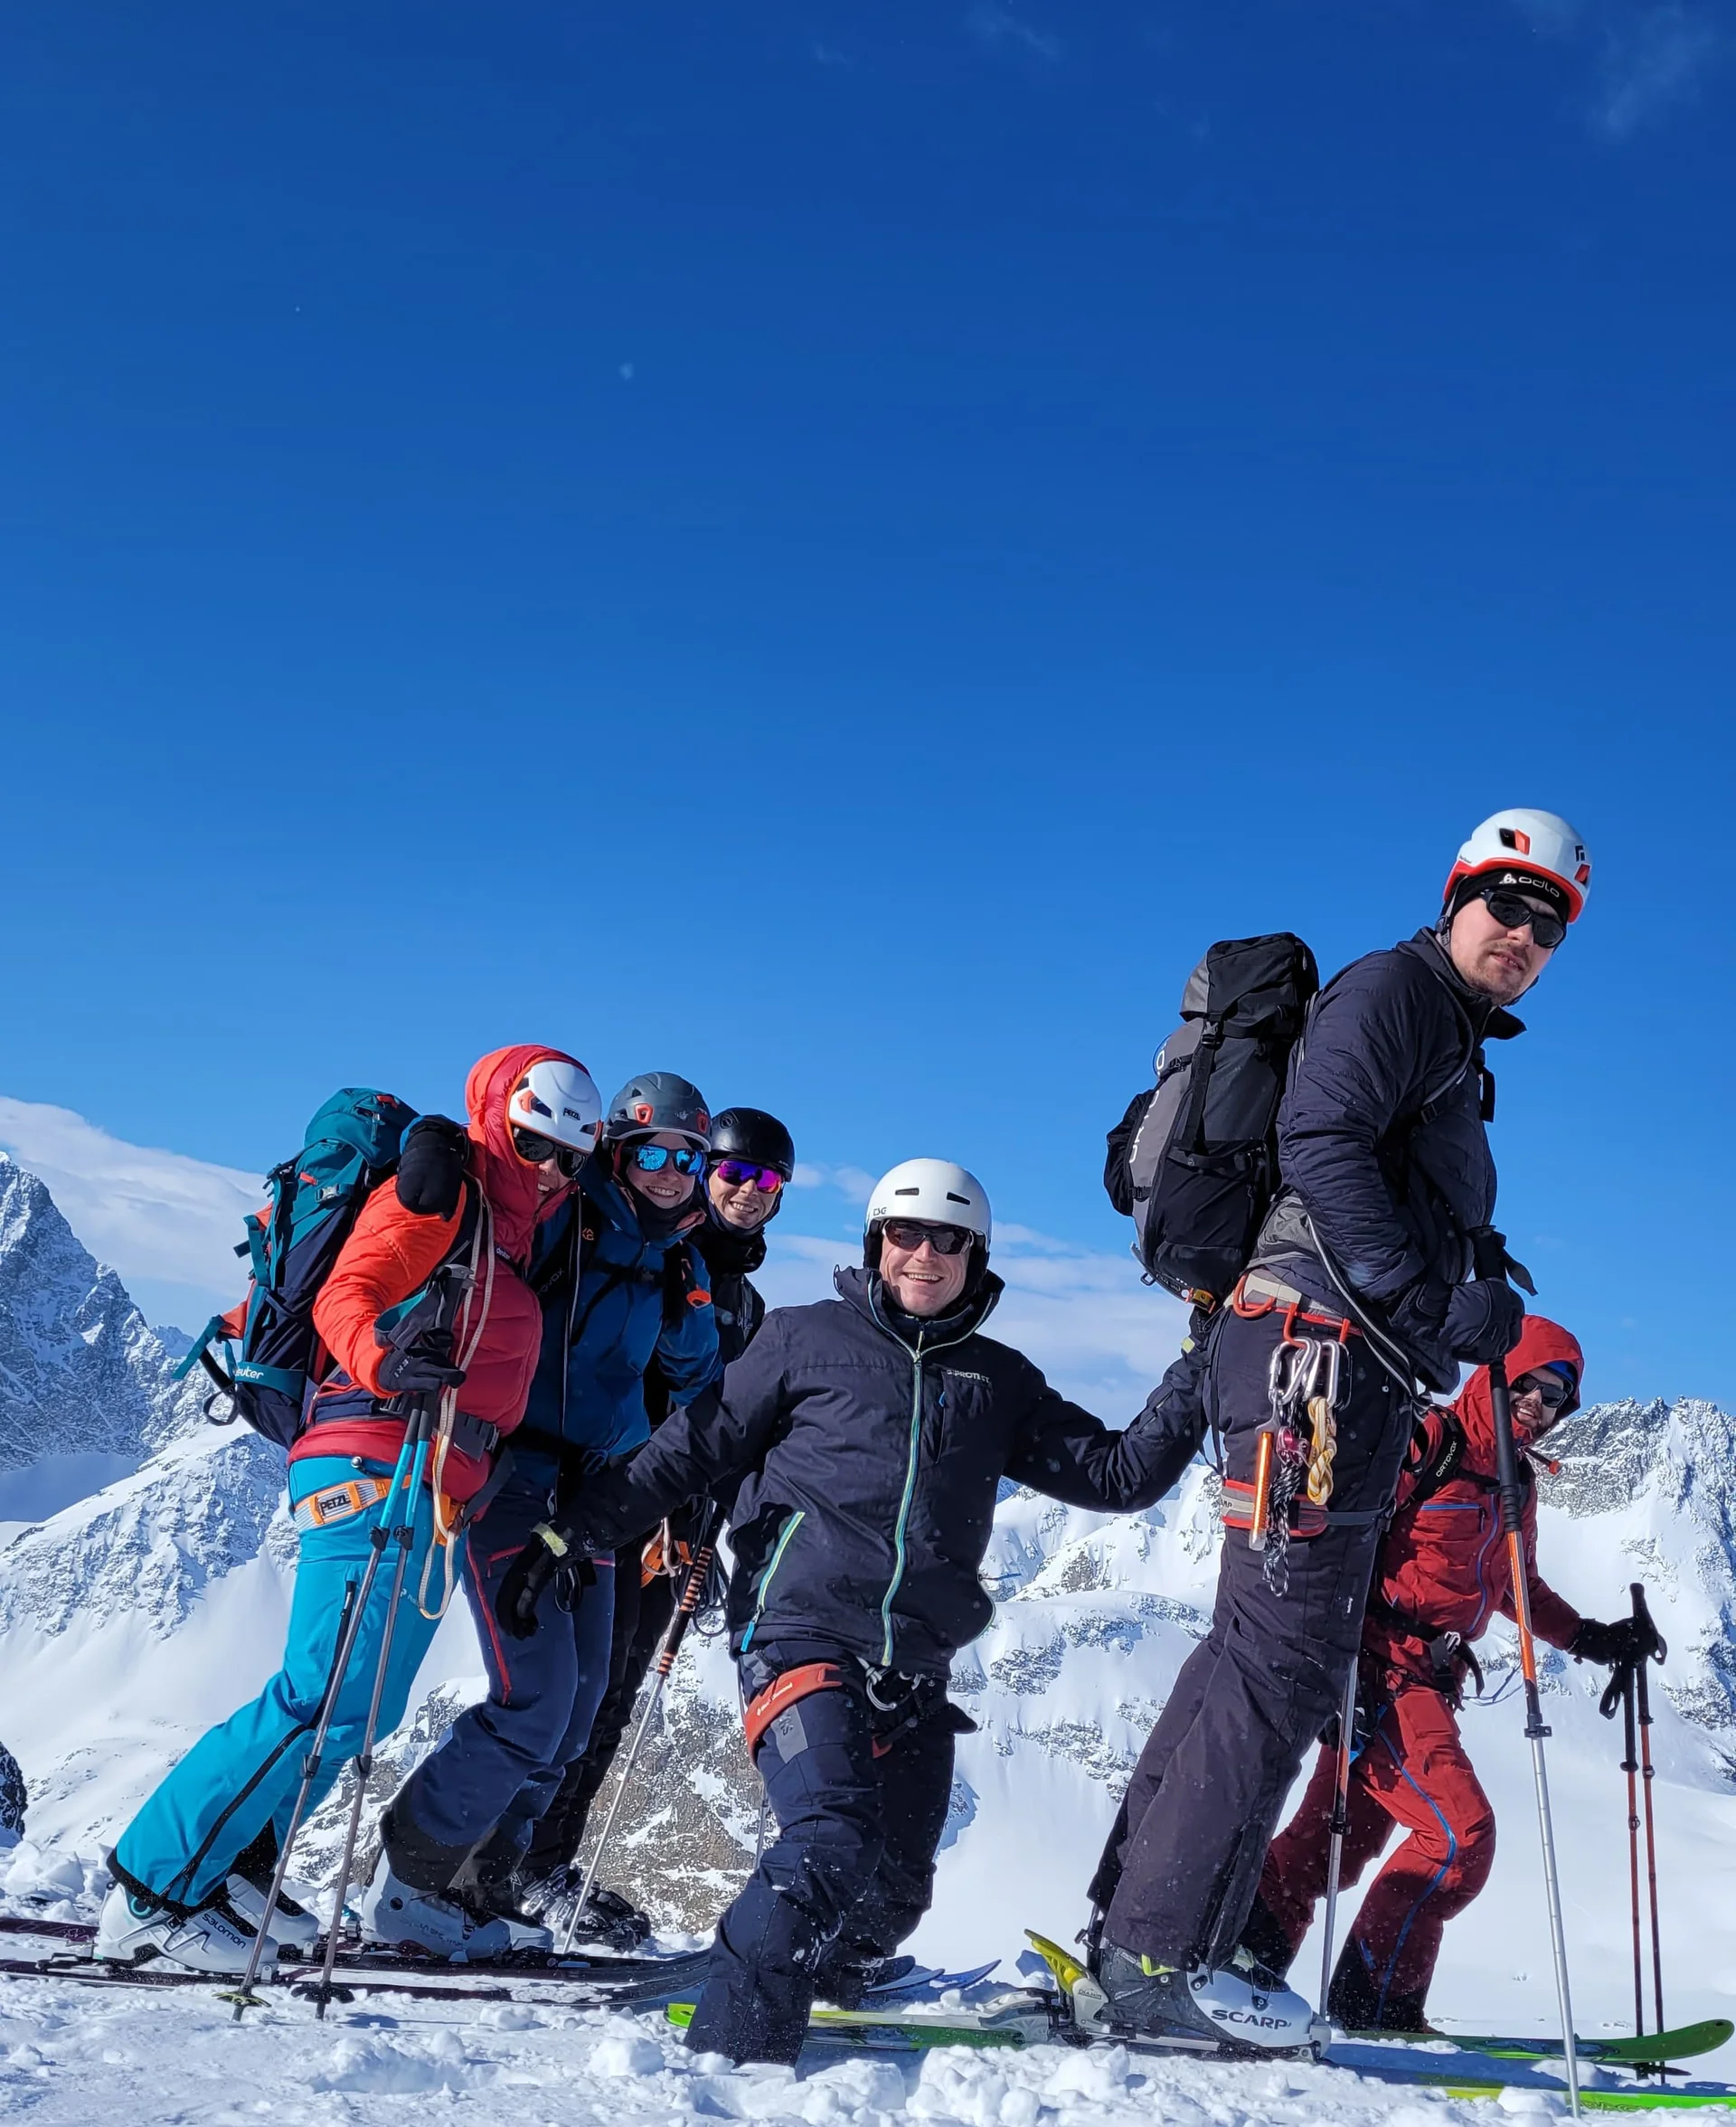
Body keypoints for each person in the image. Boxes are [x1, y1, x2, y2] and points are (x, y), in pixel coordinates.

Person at [1087, 808, 1595, 2048]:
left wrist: (1473, 1254)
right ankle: (1158, 1960)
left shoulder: (1445, 1032)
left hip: (1324, 1355)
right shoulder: (1399, 992)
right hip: (1319, 1358)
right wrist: (1424, 1296)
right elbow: (1319, 1140)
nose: (1523, 935)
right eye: (1506, 903)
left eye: (1549, 923)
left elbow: (1380, 1165)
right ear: (1458, 896)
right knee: (1282, 1662)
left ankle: (1133, 1931)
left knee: (1246, 1652)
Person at [552, 1156, 1210, 2063]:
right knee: (829, 1838)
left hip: (913, 1670)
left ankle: (813, 1964)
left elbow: (1117, 1474)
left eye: (949, 1239)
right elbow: (688, 1449)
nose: (924, 1254)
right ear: (876, 1242)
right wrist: (571, 1534)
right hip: (799, 1635)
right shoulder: (801, 1340)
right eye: (906, 1233)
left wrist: (1203, 1364)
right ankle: (734, 2045)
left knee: (891, 1890)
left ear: (976, 1257)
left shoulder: (1000, 1381)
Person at [98, 1046, 583, 1972]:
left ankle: (229, 1869)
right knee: (319, 1694)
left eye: (571, 1155)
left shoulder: (514, 1225)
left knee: (362, 1707)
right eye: (535, 1143)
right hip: (372, 1459)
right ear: (498, 1119)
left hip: (428, 1478)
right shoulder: (444, 1193)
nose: (553, 1167)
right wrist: (385, 1360)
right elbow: (346, 1293)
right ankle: (153, 1889)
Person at [362, 1069, 721, 1949]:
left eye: (688, 1159)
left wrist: (688, 1320)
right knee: (536, 1696)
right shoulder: (564, 1213)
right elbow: (492, 1196)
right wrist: (437, 1143)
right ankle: (409, 1875)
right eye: (652, 1153)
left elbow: (697, 1378)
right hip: (510, 1476)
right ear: (616, 1151)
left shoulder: (678, 1258)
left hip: (595, 1495)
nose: (670, 1172)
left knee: (583, 1700)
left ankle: (483, 1883)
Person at [1243, 1317, 1660, 2030]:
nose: (1539, 1404)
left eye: (1557, 1396)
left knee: (1325, 1848)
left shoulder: (1515, 1483)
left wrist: (1592, 1637)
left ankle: (1237, 1967)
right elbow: (1341, 1538)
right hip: (1381, 1677)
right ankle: (1373, 2000)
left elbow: (1518, 1587)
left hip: (1425, 1682)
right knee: (1461, 1837)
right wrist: (1333, 1664)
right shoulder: (1430, 1443)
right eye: (1530, 1383)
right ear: (1502, 1374)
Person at [520, 1104, 797, 1937]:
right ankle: (515, 1863)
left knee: (614, 1689)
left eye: (767, 1180)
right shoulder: (663, 1257)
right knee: (582, 1686)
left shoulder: (745, 1300)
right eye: (733, 1172)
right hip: (614, 1500)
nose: (748, 1191)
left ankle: (541, 1860)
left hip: (675, 1523)